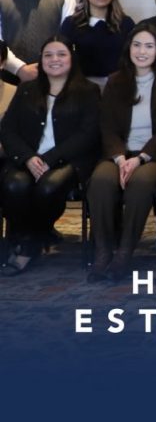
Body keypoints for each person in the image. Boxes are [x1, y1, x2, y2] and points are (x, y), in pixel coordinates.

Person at [87, 23, 156, 282]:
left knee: (140, 182)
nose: (142, 51)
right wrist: (121, 158)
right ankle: (103, 252)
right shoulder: (115, 81)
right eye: (137, 45)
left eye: (149, 46)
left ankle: (124, 253)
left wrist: (140, 158)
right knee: (100, 180)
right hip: (120, 153)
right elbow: (107, 126)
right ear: (129, 48)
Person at [0, 37, 100, 276]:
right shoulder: (27, 89)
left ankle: (28, 244)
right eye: (48, 55)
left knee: (48, 187)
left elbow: (88, 134)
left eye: (61, 54)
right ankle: (31, 237)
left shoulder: (88, 91)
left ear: (72, 58)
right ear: (41, 60)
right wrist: (28, 157)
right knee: (14, 184)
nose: (55, 59)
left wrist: (50, 158)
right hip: (28, 158)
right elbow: (8, 129)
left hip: (69, 160)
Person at [60, 0, 135, 87]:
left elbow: (132, 57)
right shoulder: (71, 23)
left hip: (119, 86)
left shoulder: (126, 23)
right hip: (81, 86)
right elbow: (62, 55)